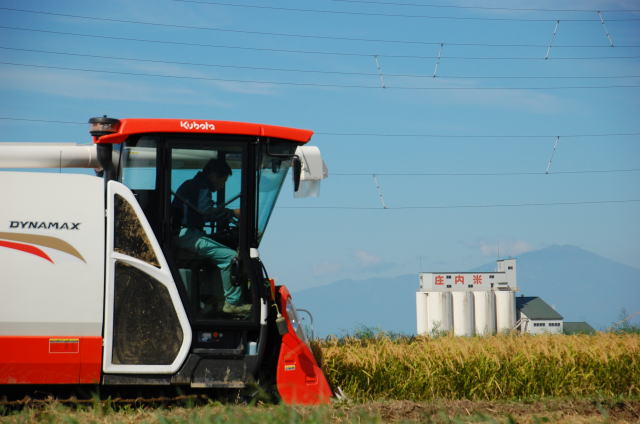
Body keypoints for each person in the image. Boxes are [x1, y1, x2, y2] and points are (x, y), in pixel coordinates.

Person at [172, 158, 250, 315]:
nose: (223, 185)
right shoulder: (200, 187)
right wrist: (233, 213)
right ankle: (232, 304)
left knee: (215, 253)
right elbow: (206, 212)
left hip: (184, 232)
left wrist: (228, 216)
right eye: (223, 180)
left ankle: (210, 300)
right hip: (185, 234)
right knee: (231, 257)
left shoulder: (193, 185)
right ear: (214, 175)